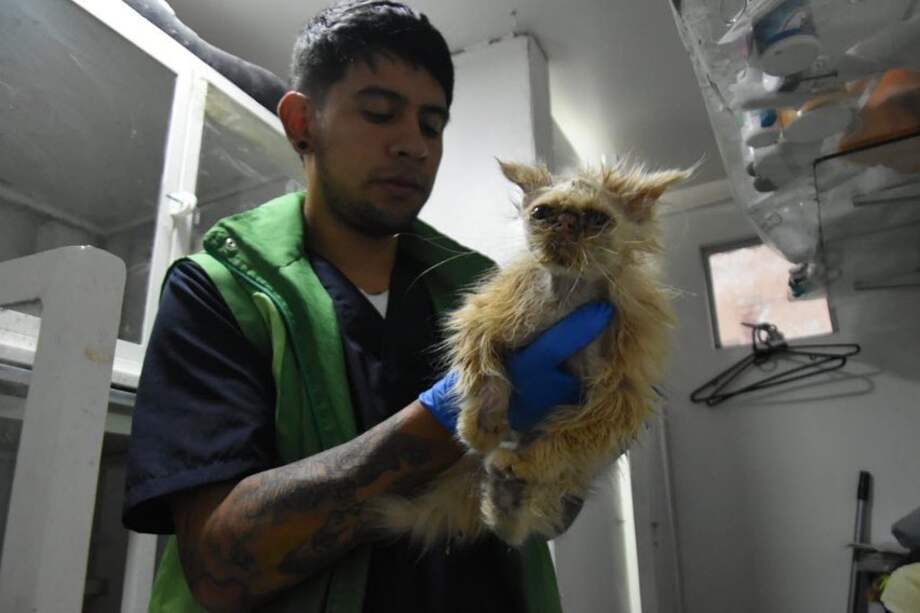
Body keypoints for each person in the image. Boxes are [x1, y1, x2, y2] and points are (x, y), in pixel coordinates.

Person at [122, 2, 614, 611]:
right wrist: (450, 415)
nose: (412, 145)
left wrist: (585, 444)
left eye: (432, 125)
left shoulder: (479, 294)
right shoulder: (219, 294)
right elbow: (223, 567)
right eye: (379, 113)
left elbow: (540, 525)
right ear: (303, 122)